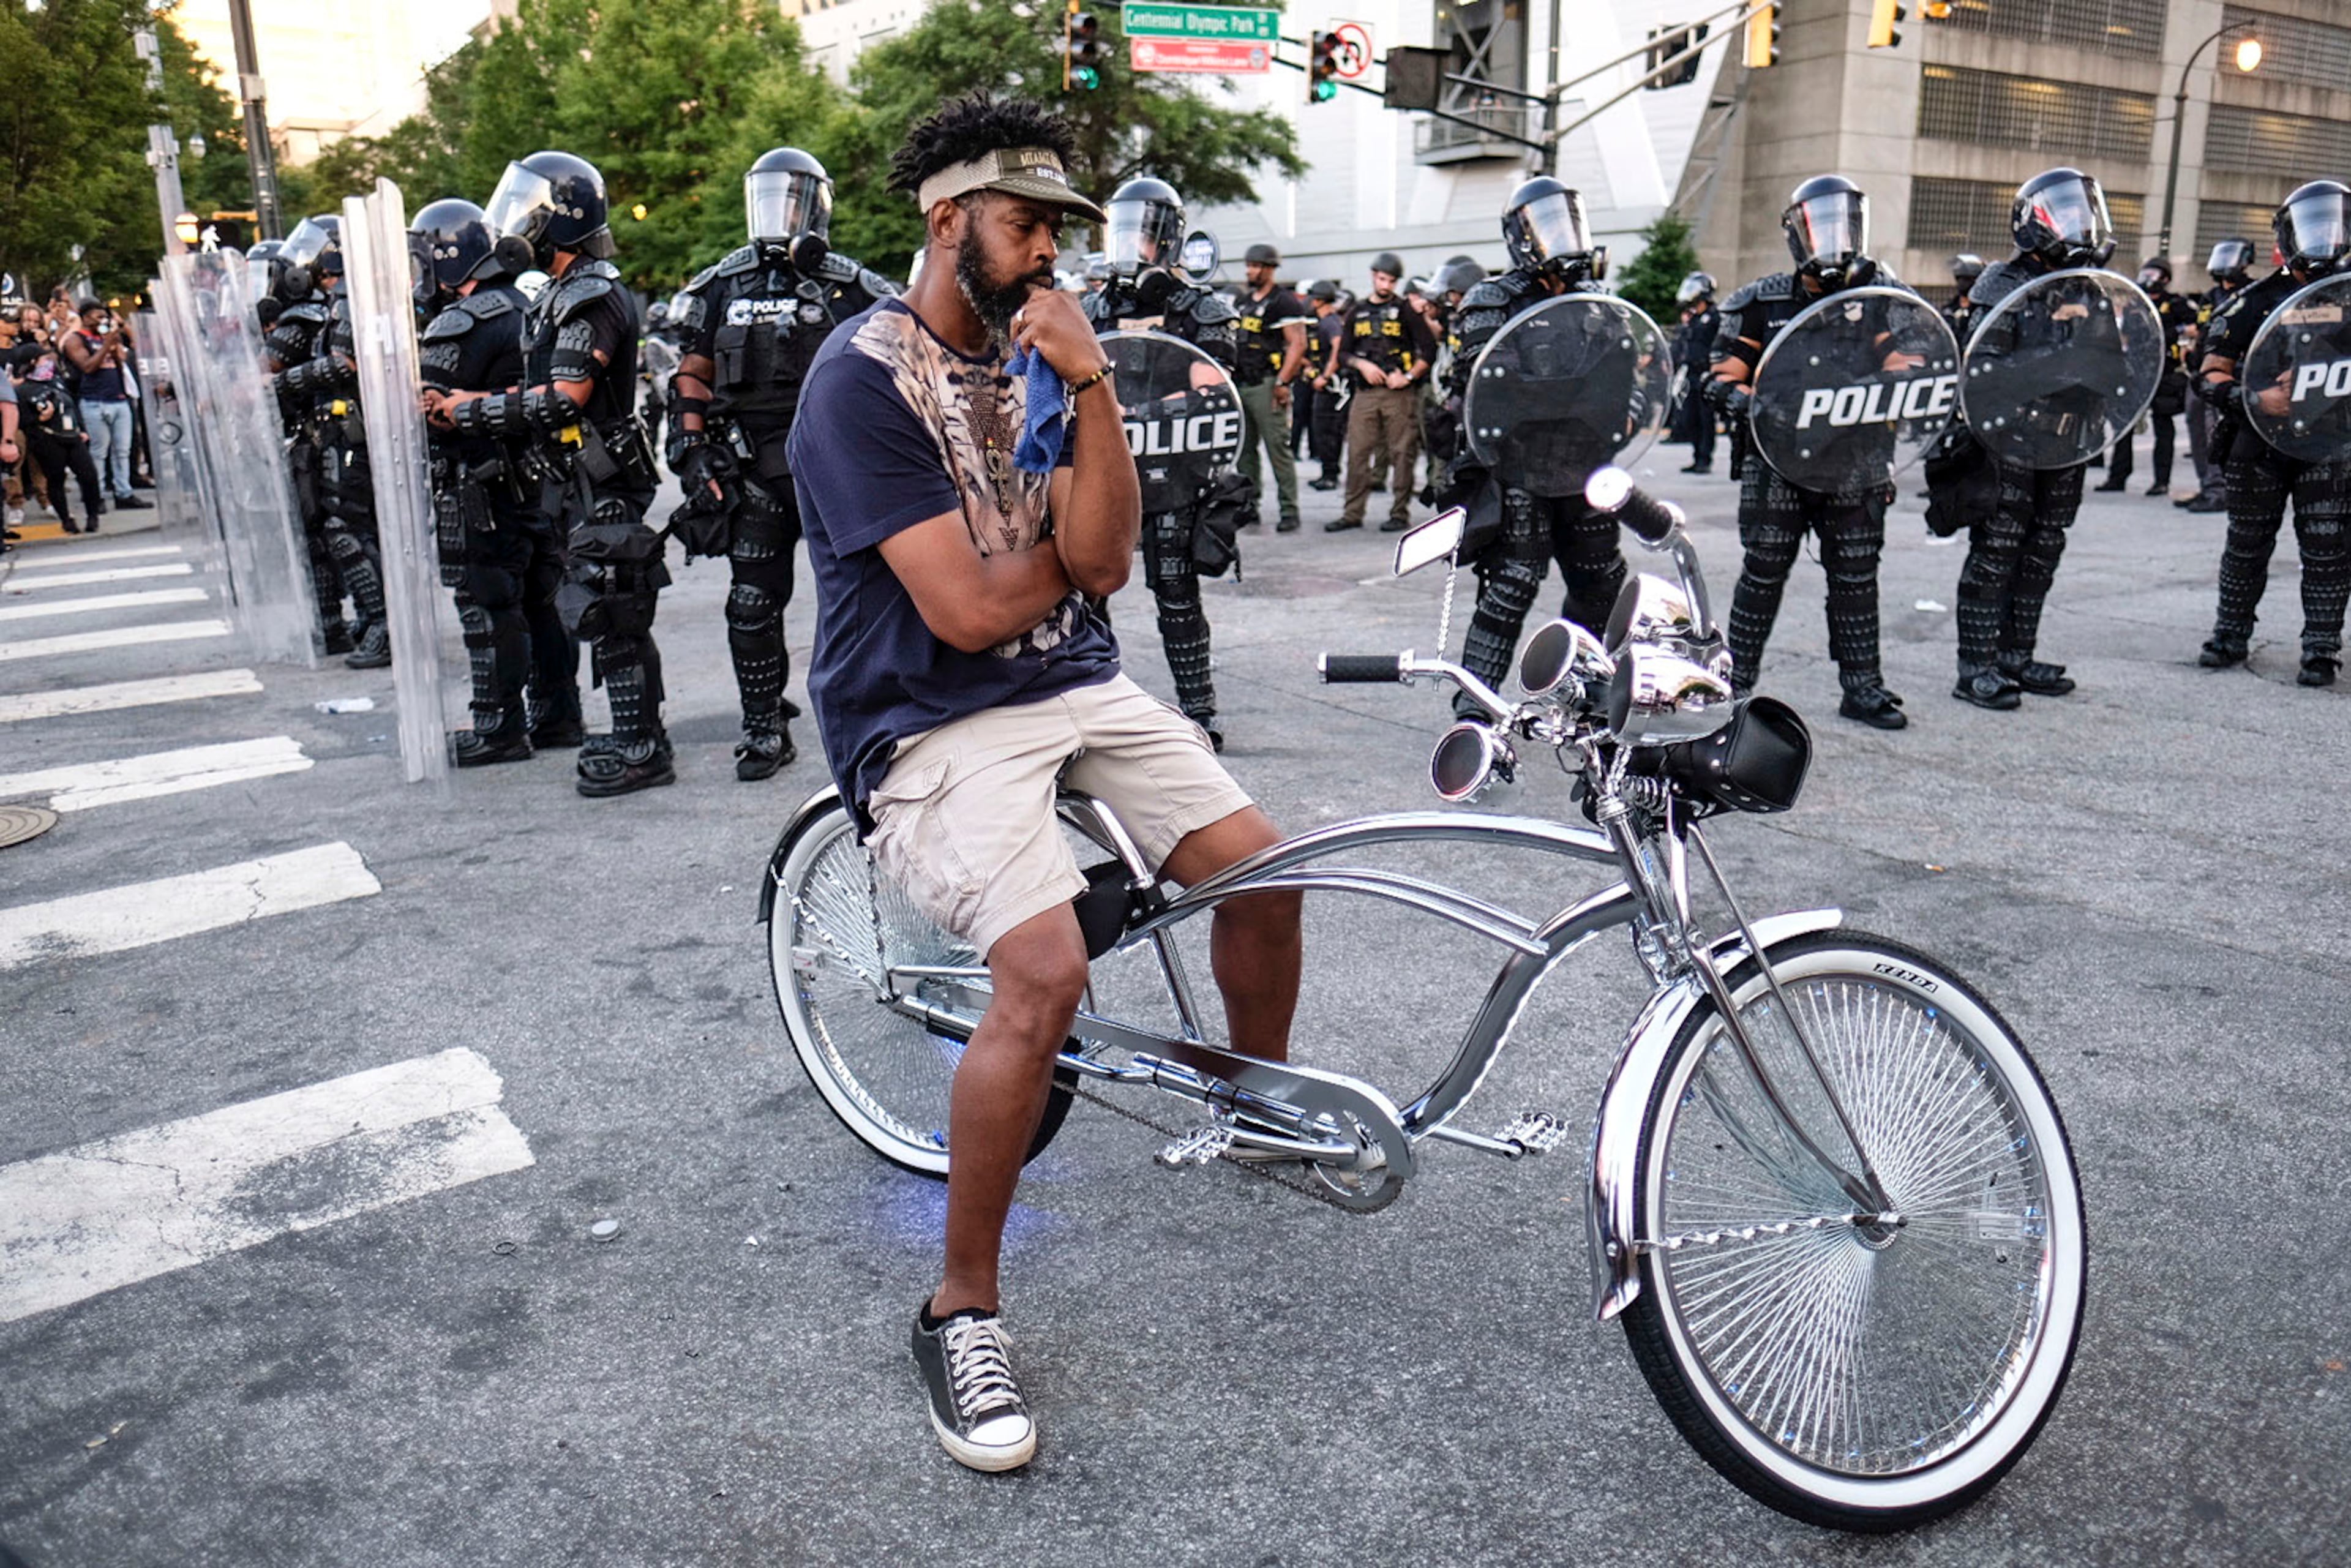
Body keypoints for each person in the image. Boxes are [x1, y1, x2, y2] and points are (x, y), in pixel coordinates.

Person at [786, 91, 1303, 1477]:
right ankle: (958, 1302)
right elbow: (959, 609)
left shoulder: (1045, 360)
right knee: (1042, 970)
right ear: (946, 219)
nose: (1044, 259)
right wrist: (1063, 559)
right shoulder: (857, 380)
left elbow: (1107, 556)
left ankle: (1248, 1106)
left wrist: (1087, 390)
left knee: (1266, 871)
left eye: (1057, 235)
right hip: (926, 715)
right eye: (1024, 228)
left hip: (1069, 675)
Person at [429, 151, 669, 796]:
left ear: (563, 216)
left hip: (603, 476)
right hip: (569, 478)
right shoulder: (558, 292)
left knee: (615, 611)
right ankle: (629, 735)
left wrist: (469, 410)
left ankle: (641, 745)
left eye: (531, 205)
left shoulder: (591, 292)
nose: (518, 221)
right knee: (591, 606)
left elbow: (565, 398)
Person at [666, 147, 897, 780]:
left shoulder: (852, 286)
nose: (777, 213)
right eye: (767, 197)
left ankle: (875, 719)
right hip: (754, 472)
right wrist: (690, 447)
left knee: (859, 603)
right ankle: (763, 725)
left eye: (790, 198)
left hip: (835, 472)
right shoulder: (723, 284)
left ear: (816, 207)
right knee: (749, 602)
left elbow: (899, 367)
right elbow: (693, 370)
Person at [1706, 174, 1913, 729]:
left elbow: (1915, 367)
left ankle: (1863, 687)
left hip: (1856, 462)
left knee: (1856, 576)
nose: (1833, 237)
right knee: (1763, 572)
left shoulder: (1882, 301)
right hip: (1777, 462)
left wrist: (1872, 394)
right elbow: (1719, 379)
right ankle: (1732, 683)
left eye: (1843, 223)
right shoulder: (1760, 300)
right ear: (1797, 231)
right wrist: (1769, 406)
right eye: (1820, 224)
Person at [1441, 178, 1629, 703]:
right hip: (1520, 466)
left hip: (1587, 463)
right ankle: (1475, 704)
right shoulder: (1491, 300)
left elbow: (1630, 377)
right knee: (1512, 582)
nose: (1561, 235)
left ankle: (1583, 684)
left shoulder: (1599, 301)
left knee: (1600, 580)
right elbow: (1480, 382)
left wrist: (1625, 413)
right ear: (1521, 236)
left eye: (1566, 221)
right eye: (1546, 224)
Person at [414, 196, 583, 764]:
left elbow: (432, 409)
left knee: (489, 606)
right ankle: (558, 716)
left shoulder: (459, 322)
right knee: (542, 600)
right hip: (538, 481)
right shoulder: (528, 303)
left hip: (480, 487)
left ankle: (499, 726)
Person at [1949, 167, 2122, 709]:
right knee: (1996, 551)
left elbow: (2115, 366)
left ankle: (2017, 656)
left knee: (2043, 550)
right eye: (2067, 214)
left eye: (2082, 213)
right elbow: (1986, 376)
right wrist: (2063, 359)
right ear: (2036, 222)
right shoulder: (1999, 287)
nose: (2079, 224)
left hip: (2068, 443)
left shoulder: (2090, 290)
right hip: (2010, 444)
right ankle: (1975, 667)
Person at [1082, 176, 1243, 746]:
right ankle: (1093, 705)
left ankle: (1199, 712)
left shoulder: (1202, 310)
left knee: (1176, 590)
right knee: (1088, 591)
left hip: (1174, 471)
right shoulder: (1090, 307)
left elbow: (1213, 390)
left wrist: (1139, 404)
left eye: (1143, 237)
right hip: (1102, 471)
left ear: (1168, 242)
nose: (1131, 248)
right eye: (1122, 235)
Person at [2192, 179, 2351, 688]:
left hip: (2329, 444)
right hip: (2258, 442)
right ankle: (2230, 634)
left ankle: (2321, 650)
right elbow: (2210, 372)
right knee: (2247, 543)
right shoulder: (2251, 301)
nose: (2325, 236)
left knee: (2328, 550)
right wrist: (2256, 399)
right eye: (2315, 225)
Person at [264, 219, 354, 656]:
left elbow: (340, 366)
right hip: (320, 433)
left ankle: (358, 623)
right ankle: (333, 622)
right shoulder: (333, 308)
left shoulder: (329, 310)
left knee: (338, 532)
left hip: (336, 435)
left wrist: (278, 384)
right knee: (322, 533)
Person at [1332, 252, 1436, 533]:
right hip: (1365, 392)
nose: (1386, 285)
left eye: (1391, 281)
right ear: (1373, 275)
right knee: (1357, 452)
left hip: (1398, 394)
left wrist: (1409, 376)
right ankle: (1352, 513)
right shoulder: (1357, 311)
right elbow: (1343, 354)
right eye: (1382, 279)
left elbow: (1429, 351)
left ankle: (1399, 513)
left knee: (1402, 453)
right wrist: (1362, 365)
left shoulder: (1406, 311)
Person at [1230, 242, 1310, 533]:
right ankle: (1250, 506)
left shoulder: (1283, 301)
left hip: (1267, 382)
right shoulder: (1244, 302)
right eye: (1249, 265)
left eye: (1256, 266)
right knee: (1245, 452)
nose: (1250, 270)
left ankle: (1290, 509)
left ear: (1270, 268)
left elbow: (1298, 344)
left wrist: (1283, 381)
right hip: (1242, 381)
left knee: (1278, 448)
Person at [2098, 258, 2194, 496]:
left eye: (2156, 274)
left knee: (2163, 425)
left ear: (2166, 279)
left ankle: (2161, 481)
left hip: (2165, 371)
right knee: (2124, 423)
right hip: (2136, 369)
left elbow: (2194, 329)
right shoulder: (2136, 304)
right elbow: (2126, 336)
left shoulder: (2176, 304)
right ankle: (2118, 477)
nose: (2149, 279)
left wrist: (2174, 334)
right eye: (2147, 273)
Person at [2183, 237, 2255, 514]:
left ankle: (2221, 490)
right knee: (2196, 425)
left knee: (2218, 430)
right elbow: (2202, 329)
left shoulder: (2252, 293)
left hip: (2230, 374)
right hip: (2201, 372)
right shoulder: (2211, 297)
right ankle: (2207, 485)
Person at [62, 301, 150, 514]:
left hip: (118, 398)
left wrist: (114, 346)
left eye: (104, 317)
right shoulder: (77, 339)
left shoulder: (107, 338)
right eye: (96, 316)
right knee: (99, 452)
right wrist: (105, 346)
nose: (101, 321)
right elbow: (88, 367)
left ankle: (124, 492)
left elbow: (122, 363)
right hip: (94, 400)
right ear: (85, 317)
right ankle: (96, 494)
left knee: (123, 451)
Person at [1671, 271, 1719, 474]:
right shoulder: (1693, 318)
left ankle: (1704, 458)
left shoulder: (1716, 316)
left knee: (1706, 418)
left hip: (1706, 373)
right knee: (1690, 417)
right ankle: (1695, 455)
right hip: (1691, 373)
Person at [1303, 279, 1346, 490]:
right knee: (1323, 430)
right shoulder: (1325, 321)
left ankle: (1330, 475)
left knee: (1327, 430)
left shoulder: (1330, 322)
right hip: (1329, 385)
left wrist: (1325, 376)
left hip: (1332, 388)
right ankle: (1328, 472)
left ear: (1319, 300)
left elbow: (1339, 347)